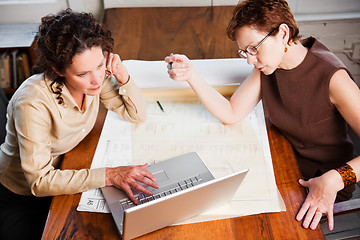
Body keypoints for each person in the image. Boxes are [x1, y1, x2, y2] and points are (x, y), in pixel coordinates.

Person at [165, 0, 360, 232]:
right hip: (287, 170)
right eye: (244, 51)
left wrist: (335, 179)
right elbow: (232, 112)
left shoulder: (333, 78)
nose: (249, 59)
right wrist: (191, 75)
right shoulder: (270, 66)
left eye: (254, 48)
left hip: (325, 187)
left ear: (283, 33)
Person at [0, 9, 158, 240]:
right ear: (58, 69)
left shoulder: (96, 78)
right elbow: (39, 182)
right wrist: (110, 175)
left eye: (100, 64)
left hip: (65, 166)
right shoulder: (32, 103)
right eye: (83, 74)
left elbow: (135, 115)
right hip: (21, 194)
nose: (96, 79)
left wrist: (122, 76)